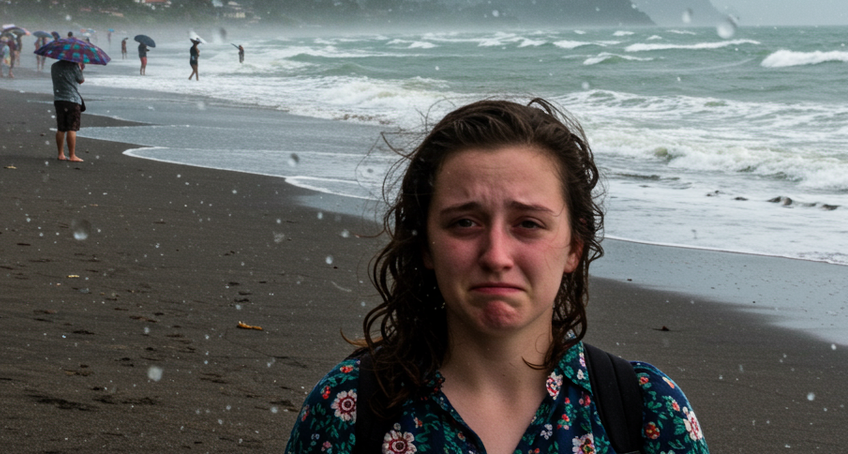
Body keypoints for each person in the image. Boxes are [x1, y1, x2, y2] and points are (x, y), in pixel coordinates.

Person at [285, 99, 708, 454]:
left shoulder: (644, 407)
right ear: (425, 245)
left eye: (528, 224)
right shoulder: (351, 406)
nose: (496, 256)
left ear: (574, 247)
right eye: (465, 223)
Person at [51, 57, 85, 162]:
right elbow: (81, 80)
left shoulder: (54, 66)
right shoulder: (74, 66)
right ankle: (72, 155)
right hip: (72, 100)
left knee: (61, 128)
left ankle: (60, 154)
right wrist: (80, 68)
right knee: (72, 128)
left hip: (59, 99)